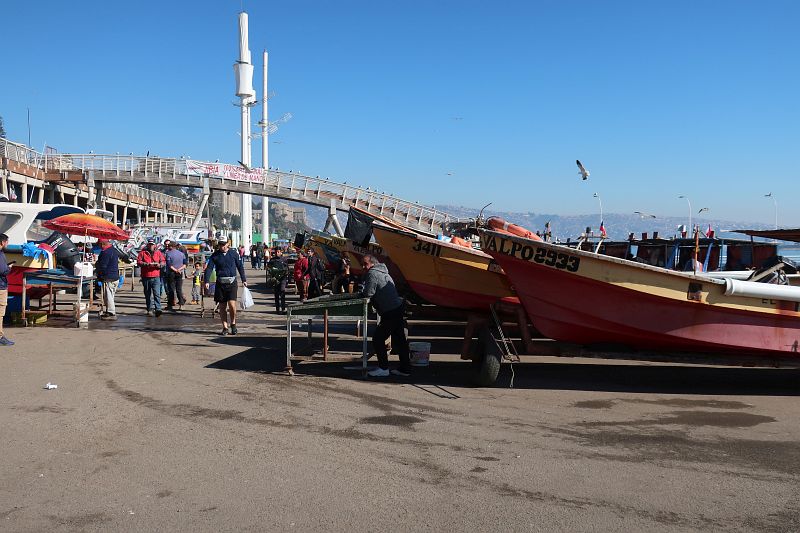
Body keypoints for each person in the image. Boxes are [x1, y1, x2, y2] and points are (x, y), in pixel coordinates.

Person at [360, 255, 411, 377]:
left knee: (378, 338)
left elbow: (368, 293)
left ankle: (383, 368)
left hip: (390, 311)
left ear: (372, 263)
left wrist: (361, 291)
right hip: (397, 308)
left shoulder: (372, 273)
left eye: (365, 264)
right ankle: (405, 369)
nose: (363, 267)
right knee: (400, 340)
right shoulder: (384, 271)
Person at [204, 237, 247, 335]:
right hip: (220, 283)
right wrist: (206, 281)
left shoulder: (233, 254)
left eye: (224, 244)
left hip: (232, 283)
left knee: (232, 305)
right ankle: (225, 327)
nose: (222, 246)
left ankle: (233, 323)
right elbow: (209, 268)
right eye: (220, 244)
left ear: (228, 244)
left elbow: (240, 266)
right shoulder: (215, 255)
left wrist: (244, 279)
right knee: (222, 306)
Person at [137, 238, 166, 316]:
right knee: (148, 294)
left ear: (154, 245)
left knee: (157, 294)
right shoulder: (142, 253)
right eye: (149, 244)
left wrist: (160, 265)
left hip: (156, 276)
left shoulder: (158, 253)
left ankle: (158, 309)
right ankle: (149, 309)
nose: (151, 246)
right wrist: (147, 264)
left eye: (152, 244)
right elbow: (139, 262)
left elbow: (163, 261)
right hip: (146, 276)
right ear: (147, 244)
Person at [95, 239, 120, 321]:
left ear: (102, 244)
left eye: (99, 244)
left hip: (109, 277)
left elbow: (103, 266)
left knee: (108, 296)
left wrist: (99, 274)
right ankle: (109, 311)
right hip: (114, 277)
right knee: (110, 296)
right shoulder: (113, 250)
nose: (99, 246)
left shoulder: (106, 252)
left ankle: (111, 312)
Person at [164, 241, 187, 311]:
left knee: (171, 289)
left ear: (171, 246)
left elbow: (169, 264)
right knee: (179, 289)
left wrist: (175, 270)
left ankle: (170, 305)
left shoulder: (168, 254)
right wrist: (179, 269)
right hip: (179, 273)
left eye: (169, 246)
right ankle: (181, 304)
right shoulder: (182, 254)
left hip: (171, 273)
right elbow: (185, 264)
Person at [0, 234, 14, 345]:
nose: (7, 244)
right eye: (7, 242)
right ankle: (0, 337)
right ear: (2, 242)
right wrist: (9, 267)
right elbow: (3, 271)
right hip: (1, 286)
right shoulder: (0, 254)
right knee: (0, 313)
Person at [267, 248, 288, 313]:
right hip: (275, 279)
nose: (277, 253)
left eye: (278, 252)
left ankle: (283, 308)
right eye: (276, 252)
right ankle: (277, 309)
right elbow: (269, 268)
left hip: (282, 278)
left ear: (281, 252)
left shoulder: (284, 259)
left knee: (282, 291)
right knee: (276, 294)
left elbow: (287, 268)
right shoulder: (272, 260)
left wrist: (286, 275)